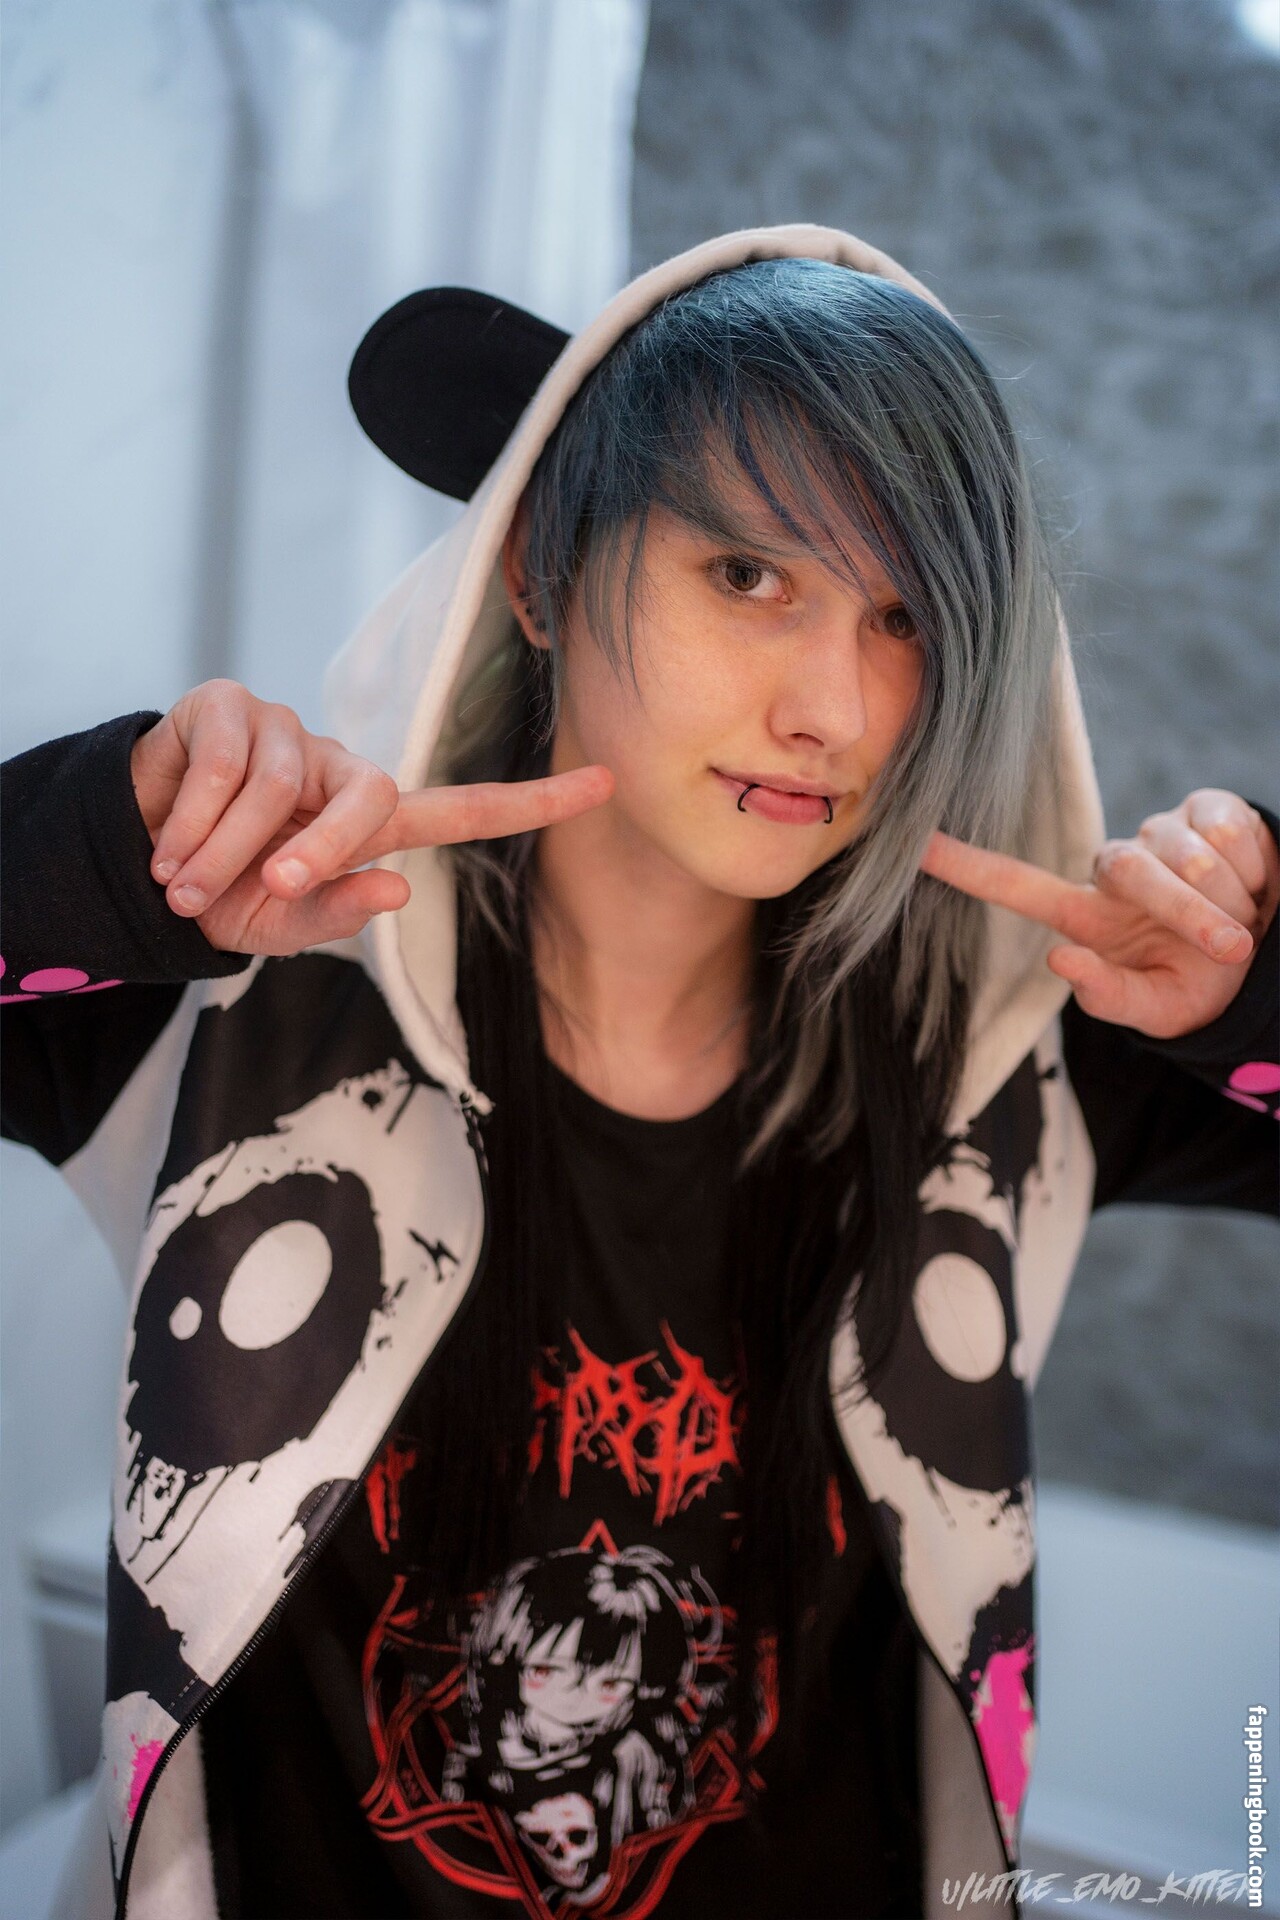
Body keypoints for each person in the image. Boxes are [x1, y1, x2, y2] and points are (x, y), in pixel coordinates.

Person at [2, 224, 1276, 1920]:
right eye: (748, 573)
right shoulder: (235, 1015)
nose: (835, 708)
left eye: (904, 616)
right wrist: (95, 855)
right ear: (542, 572)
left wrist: (1253, 1000)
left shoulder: (1011, 1062)